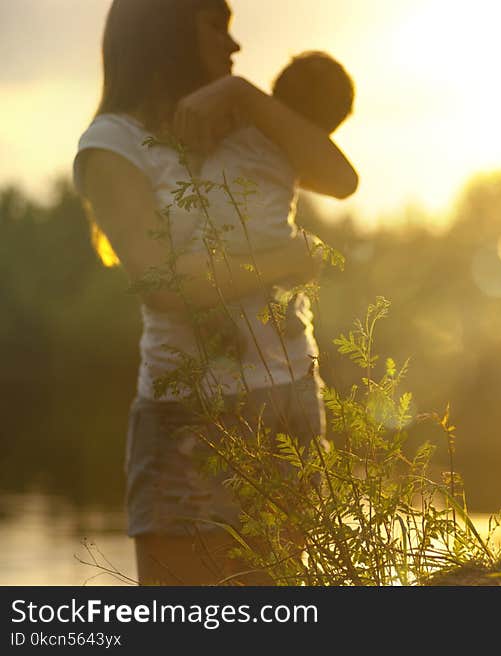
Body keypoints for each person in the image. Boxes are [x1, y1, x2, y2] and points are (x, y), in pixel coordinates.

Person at [72, 0, 358, 585]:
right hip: (189, 415)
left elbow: (341, 179)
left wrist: (247, 96)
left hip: (287, 393)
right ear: (166, 32)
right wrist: (292, 256)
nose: (235, 47)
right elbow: (165, 286)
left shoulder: (240, 121)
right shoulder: (113, 142)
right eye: (216, 27)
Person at [192, 51, 355, 348]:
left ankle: (217, 321)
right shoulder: (295, 149)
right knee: (300, 255)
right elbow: (346, 182)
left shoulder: (236, 121)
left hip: (215, 234)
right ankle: (287, 314)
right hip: (269, 240)